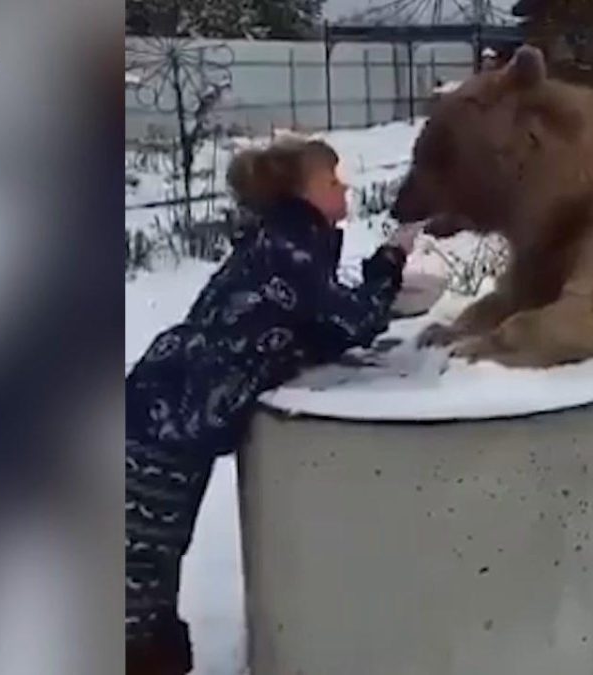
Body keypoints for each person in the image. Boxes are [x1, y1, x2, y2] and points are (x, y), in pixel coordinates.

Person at [125, 138, 421, 674]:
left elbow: (298, 324)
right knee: (135, 575)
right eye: (332, 180)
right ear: (301, 193)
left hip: (163, 409)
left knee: (145, 569)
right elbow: (347, 320)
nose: (345, 186)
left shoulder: (285, 242)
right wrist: (394, 257)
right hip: (163, 424)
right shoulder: (291, 249)